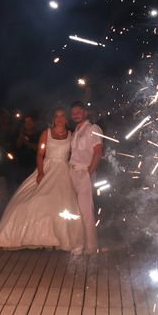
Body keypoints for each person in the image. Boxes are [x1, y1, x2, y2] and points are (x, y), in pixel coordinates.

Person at [0, 107, 84, 252]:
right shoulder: (46, 133)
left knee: (61, 203)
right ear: (53, 119)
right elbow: (40, 154)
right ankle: (24, 236)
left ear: (66, 119)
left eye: (62, 116)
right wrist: (40, 172)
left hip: (63, 171)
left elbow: (76, 153)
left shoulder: (71, 135)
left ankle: (59, 238)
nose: (59, 119)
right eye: (56, 116)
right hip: (47, 168)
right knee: (32, 201)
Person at [69, 101, 103, 254]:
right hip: (72, 172)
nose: (75, 114)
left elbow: (98, 152)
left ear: (85, 113)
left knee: (86, 210)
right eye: (73, 112)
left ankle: (90, 246)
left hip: (84, 172)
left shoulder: (93, 129)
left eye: (78, 111)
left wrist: (89, 173)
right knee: (76, 210)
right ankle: (78, 243)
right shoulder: (75, 131)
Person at [14, 113, 40, 185]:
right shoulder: (21, 134)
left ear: (33, 123)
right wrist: (21, 136)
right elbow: (18, 146)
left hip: (34, 164)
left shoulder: (38, 134)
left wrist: (27, 143)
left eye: (30, 121)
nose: (28, 123)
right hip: (23, 164)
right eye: (26, 122)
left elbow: (38, 147)